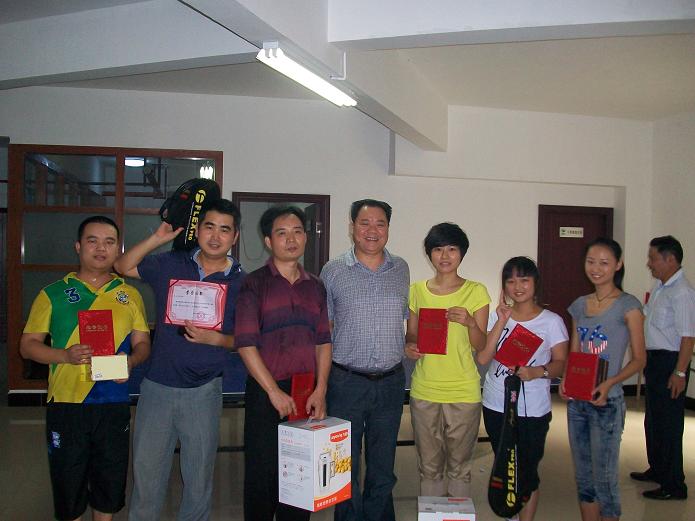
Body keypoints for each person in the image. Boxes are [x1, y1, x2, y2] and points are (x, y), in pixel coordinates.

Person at [114, 199, 245, 521]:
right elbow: (122, 266)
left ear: (235, 236)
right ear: (197, 230)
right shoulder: (170, 263)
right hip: (157, 388)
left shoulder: (244, 283)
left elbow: (248, 340)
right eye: (209, 227)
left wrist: (217, 339)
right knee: (146, 477)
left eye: (224, 229)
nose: (215, 236)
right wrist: (157, 238)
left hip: (204, 391)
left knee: (198, 480)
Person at [20, 216, 151, 521]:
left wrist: (131, 361)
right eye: (93, 241)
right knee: (69, 486)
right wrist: (64, 355)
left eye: (109, 242)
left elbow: (143, 343)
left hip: (113, 403)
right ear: (78, 247)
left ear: (118, 249)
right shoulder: (52, 294)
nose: (101, 248)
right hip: (67, 404)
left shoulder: (130, 295)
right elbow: (27, 346)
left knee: (109, 484)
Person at [234, 205, 332, 521]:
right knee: (262, 477)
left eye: (297, 232)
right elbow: (246, 344)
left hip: (306, 393)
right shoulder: (254, 284)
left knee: (300, 479)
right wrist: (273, 392)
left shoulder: (316, 285)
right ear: (268, 241)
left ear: (305, 237)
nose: (291, 239)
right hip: (266, 392)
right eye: (282, 233)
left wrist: (321, 389)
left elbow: (323, 341)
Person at [320, 199, 409, 521]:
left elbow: (404, 319)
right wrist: (320, 386)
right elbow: (325, 331)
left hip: (391, 382)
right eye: (365, 223)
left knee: (383, 466)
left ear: (388, 228)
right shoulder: (332, 271)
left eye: (380, 223)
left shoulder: (401, 268)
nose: (372, 230)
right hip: (346, 382)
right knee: (344, 465)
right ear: (352, 227)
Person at [561, 237, 646, 521]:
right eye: (591, 262)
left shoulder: (628, 306)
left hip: (607, 403)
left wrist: (610, 383)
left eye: (604, 263)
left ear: (618, 265)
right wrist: (567, 380)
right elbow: (575, 353)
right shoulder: (579, 305)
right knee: (584, 480)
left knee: (605, 481)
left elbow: (639, 359)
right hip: (578, 403)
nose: (596, 268)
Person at [479, 257, 568, 521]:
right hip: (496, 403)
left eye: (524, 280)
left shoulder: (551, 321)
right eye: (511, 281)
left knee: (527, 471)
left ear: (535, 282)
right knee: (505, 465)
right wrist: (501, 319)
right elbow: (483, 357)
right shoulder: (498, 316)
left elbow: (561, 364)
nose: (517, 287)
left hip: (532, 409)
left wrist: (536, 372)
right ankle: (510, 516)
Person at [404, 223, 490, 497]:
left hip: (463, 390)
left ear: (461, 253)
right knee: (428, 466)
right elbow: (412, 333)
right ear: (429, 253)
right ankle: (432, 512)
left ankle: (456, 512)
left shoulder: (476, 291)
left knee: (460, 467)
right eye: (438, 249)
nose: (444, 256)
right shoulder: (417, 290)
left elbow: (481, 345)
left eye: (452, 249)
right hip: (424, 389)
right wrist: (410, 346)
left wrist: (470, 323)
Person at [630, 235, 695, 500]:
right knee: (654, 420)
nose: (649, 263)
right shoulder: (660, 286)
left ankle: (674, 485)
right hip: (655, 361)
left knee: (669, 425)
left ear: (670, 259)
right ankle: (657, 469)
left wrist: (679, 372)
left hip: (671, 362)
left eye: (653, 258)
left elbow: (688, 338)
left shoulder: (682, 293)